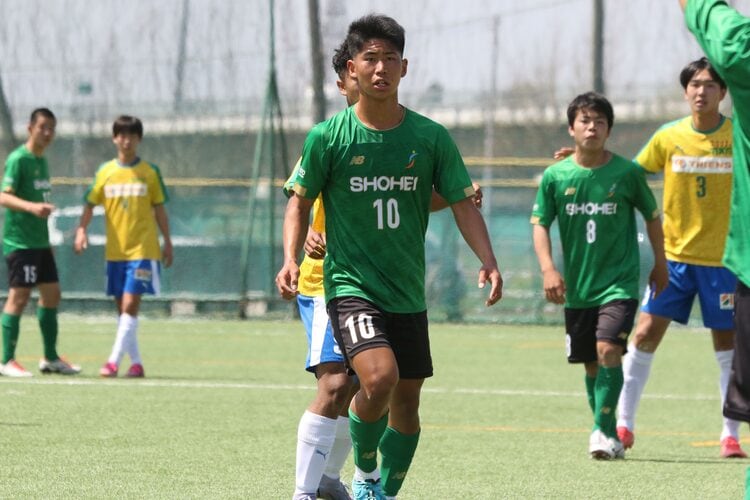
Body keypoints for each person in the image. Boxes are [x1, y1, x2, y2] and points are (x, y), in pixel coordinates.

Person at [276, 14, 502, 500]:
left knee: (408, 403)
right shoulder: (327, 137)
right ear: (352, 69)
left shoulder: (430, 137)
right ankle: (363, 473)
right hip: (349, 286)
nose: (381, 68)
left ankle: (377, 491)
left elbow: (460, 201)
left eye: (390, 59)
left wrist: (488, 259)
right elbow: (298, 199)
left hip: (406, 290)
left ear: (405, 67)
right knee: (375, 377)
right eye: (370, 59)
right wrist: (291, 257)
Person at [613, 57, 744, 458]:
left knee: (728, 346)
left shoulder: (739, 135)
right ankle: (622, 425)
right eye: (694, 85)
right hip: (673, 260)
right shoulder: (669, 136)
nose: (701, 91)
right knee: (644, 334)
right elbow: (632, 176)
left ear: (723, 93)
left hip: (725, 261)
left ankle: (730, 435)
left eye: (709, 85)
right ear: (685, 91)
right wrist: (586, 157)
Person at [531, 91, 668, 460]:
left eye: (600, 122)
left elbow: (653, 218)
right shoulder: (556, 176)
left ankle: (602, 431)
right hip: (577, 288)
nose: (592, 127)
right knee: (591, 362)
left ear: (609, 130)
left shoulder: (627, 173)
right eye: (585, 121)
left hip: (619, 284)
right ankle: (609, 436)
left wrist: (660, 261)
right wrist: (548, 269)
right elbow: (540, 224)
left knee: (609, 349)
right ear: (571, 128)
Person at [681, 0, 750, 490]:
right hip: (690, 257)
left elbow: (722, 29)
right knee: (643, 334)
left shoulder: (742, 54)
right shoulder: (673, 136)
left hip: (735, 265)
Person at [73, 115, 173, 378]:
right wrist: (81, 230)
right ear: (114, 138)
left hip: (143, 250)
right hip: (115, 252)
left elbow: (160, 209)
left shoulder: (149, 173)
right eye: (121, 135)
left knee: (129, 306)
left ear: (139, 139)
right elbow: (89, 203)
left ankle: (113, 361)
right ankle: (137, 363)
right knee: (122, 311)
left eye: (132, 135)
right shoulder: (105, 172)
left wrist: (168, 241)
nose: (126, 140)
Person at [0, 107, 81, 377]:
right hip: (20, 242)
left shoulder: (42, 161)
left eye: (51, 128)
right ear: (30, 128)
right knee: (19, 297)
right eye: (42, 127)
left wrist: (43, 210)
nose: (47, 133)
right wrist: (32, 208)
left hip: (40, 243)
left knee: (52, 294)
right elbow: (4, 196)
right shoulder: (18, 159)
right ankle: (6, 360)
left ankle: (50, 357)